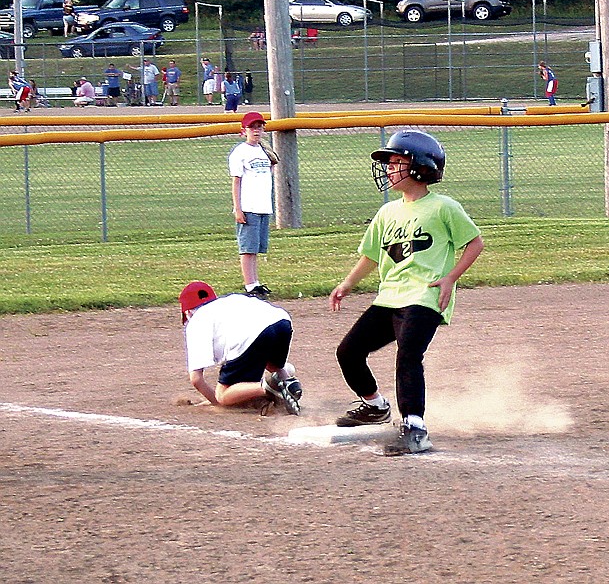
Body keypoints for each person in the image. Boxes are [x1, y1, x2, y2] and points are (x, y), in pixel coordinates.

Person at [329, 130, 484, 456]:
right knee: (348, 352)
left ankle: (415, 428)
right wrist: (347, 284)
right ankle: (375, 406)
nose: (388, 169)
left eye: (396, 162)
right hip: (389, 298)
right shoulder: (387, 213)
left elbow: (474, 243)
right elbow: (372, 255)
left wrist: (450, 278)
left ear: (420, 167)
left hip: (425, 296)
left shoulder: (443, 207)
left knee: (409, 354)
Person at [179, 281, 302, 413]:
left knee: (223, 394)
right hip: (282, 322)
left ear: (188, 312)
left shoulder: (197, 320)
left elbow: (196, 379)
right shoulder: (231, 299)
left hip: (251, 336)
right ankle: (286, 381)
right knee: (271, 364)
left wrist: (219, 402)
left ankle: (270, 386)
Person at [228, 111, 276, 299]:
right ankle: (249, 285)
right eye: (252, 127)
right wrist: (238, 209)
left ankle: (255, 282)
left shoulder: (263, 150)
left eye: (259, 127)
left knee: (256, 247)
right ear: (243, 131)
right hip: (248, 206)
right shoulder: (240, 152)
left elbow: (267, 174)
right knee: (247, 248)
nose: (256, 131)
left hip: (263, 205)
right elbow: (236, 182)